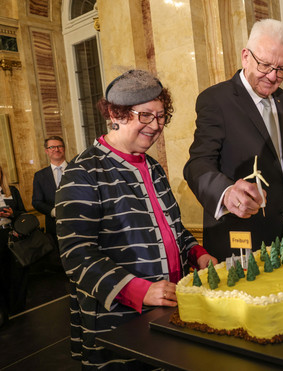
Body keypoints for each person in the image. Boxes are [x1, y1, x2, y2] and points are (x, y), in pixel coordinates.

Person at [56, 69, 217, 369]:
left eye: (160, 117)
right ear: (116, 113)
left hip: (169, 311)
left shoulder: (153, 167)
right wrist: (139, 290)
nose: (155, 126)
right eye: (145, 116)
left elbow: (175, 230)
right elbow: (77, 256)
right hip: (119, 323)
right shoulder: (83, 172)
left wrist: (198, 254)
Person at [184, 19, 283, 261]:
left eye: (282, 69)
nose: (273, 77)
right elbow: (198, 165)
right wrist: (226, 192)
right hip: (239, 240)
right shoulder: (216, 100)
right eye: (265, 66)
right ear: (245, 57)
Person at [0, 163, 27, 327]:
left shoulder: (12, 191)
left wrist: (12, 213)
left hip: (12, 235)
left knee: (17, 272)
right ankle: (4, 309)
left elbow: (24, 213)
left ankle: (18, 308)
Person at [32, 135, 67, 243]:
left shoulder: (77, 169)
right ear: (46, 151)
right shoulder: (40, 176)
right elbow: (36, 202)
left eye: (59, 146)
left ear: (64, 149)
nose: (56, 149)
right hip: (54, 227)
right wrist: (53, 211)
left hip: (80, 223)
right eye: (52, 147)